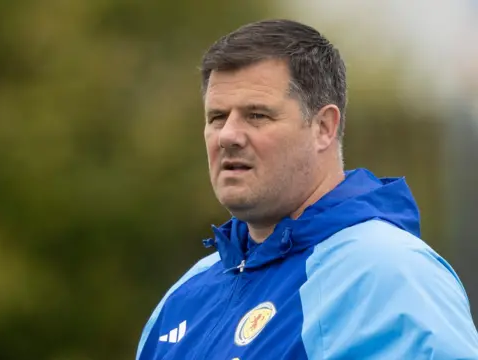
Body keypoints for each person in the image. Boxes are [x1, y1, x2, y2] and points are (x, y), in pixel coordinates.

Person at [135, 19, 478, 360]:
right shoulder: (185, 296)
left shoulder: (386, 275)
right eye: (217, 117)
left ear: (324, 128)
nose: (228, 136)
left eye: (256, 115)